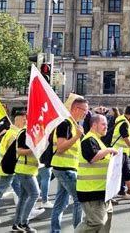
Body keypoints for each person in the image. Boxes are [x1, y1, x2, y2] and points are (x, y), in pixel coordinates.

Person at [75, 114, 118, 233]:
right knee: (96, 222)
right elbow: (92, 157)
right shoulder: (89, 140)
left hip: (102, 190)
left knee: (107, 219)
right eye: (103, 124)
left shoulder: (97, 140)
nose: (106, 127)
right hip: (90, 191)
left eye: (107, 124)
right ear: (94, 125)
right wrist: (109, 150)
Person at [50, 98, 88, 233]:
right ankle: (79, 230)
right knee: (80, 199)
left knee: (60, 204)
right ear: (76, 109)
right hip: (64, 168)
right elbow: (60, 147)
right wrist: (77, 136)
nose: (86, 113)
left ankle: (54, 231)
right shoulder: (65, 124)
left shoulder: (72, 124)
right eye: (85, 110)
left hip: (65, 168)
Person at [12, 113, 42, 233]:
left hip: (28, 169)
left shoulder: (32, 132)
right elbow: (19, 150)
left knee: (24, 197)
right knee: (34, 194)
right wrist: (34, 150)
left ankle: (17, 224)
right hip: (24, 170)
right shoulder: (24, 132)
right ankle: (24, 222)